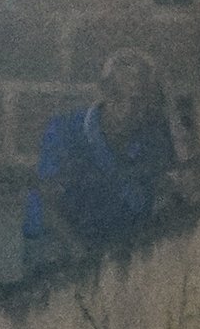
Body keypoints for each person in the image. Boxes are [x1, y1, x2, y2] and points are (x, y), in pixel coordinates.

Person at [22, 51, 177, 266]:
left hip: (120, 248)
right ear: (106, 93)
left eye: (145, 102)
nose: (137, 111)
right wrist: (85, 258)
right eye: (128, 99)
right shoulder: (65, 131)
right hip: (61, 248)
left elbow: (173, 190)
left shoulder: (152, 138)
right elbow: (49, 206)